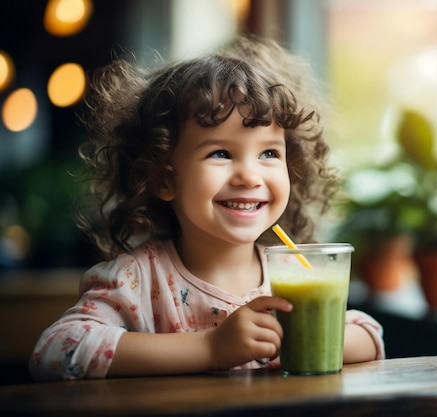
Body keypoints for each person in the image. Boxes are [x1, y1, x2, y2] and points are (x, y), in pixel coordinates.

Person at [29, 36, 384, 381]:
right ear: (163, 179)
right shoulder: (137, 280)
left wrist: (305, 340)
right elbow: (58, 350)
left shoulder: (291, 273)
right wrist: (210, 347)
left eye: (269, 153)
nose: (249, 175)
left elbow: (370, 336)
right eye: (220, 153)